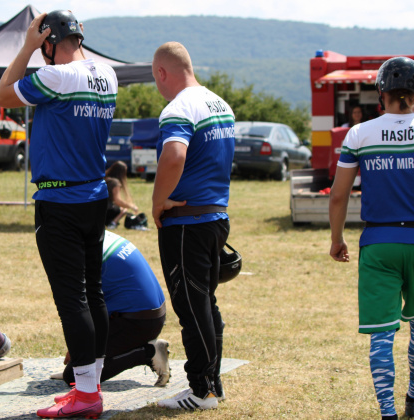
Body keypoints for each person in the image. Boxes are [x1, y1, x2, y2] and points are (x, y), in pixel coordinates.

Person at [0, 10, 118, 418]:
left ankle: (87, 396)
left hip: (60, 200)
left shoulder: (55, 77)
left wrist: (27, 47)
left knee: (72, 299)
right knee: (94, 292)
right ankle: (91, 384)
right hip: (94, 195)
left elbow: (2, 94)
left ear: (49, 41)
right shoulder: (107, 75)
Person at [329, 56, 414, 420]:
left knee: (382, 335)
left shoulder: (360, 133)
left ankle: (388, 413)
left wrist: (336, 238)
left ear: (381, 93)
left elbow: (339, 195)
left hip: (378, 244)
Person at [150, 42, 235, 411]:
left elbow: (174, 155)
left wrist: (157, 201)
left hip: (186, 223)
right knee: (206, 304)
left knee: (192, 308)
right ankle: (213, 383)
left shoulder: (179, 107)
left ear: (162, 73)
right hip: (215, 217)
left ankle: (201, 390)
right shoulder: (220, 103)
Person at [54, 230, 170, 387]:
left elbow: (87, 310)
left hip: (138, 321)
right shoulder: (100, 235)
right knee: (81, 361)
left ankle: (148, 353)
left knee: (75, 375)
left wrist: (78, 347)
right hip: (150, 314)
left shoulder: (82, 253)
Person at [104, 161, 139, 229]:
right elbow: (117, 200)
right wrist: (131, 206)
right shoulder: (115, 182)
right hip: (108, 210)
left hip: (99, 208)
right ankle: (113, 223)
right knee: (123, 209)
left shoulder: (105, 179)